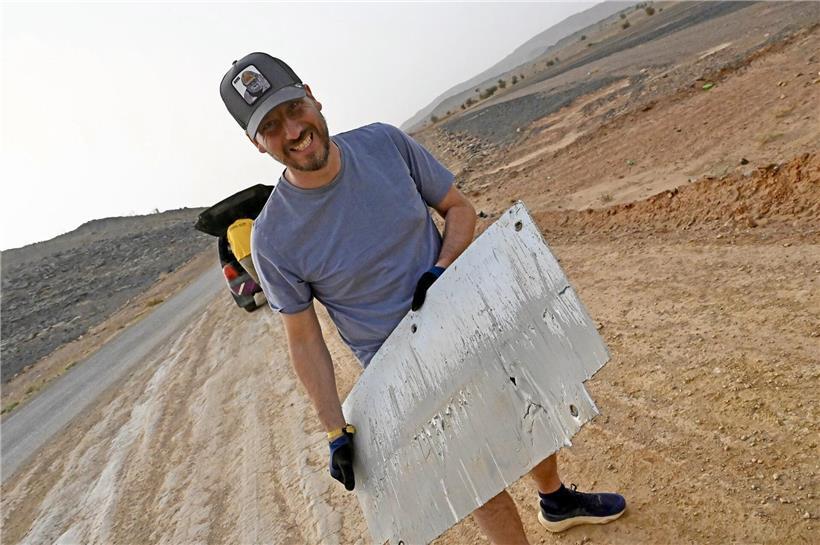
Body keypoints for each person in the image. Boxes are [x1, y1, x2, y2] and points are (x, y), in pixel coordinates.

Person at [219, 52, 626, 544]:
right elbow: (304, 340)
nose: (292, 131)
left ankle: (555, 498)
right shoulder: (273, 238)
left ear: (312, 95)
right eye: (271, 127)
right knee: (475, 472)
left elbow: (458, 208)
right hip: (402, 366)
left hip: (463, 308)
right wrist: (334, 430)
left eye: (293, 109)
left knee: (524, 406)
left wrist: (442, 267)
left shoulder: (384, 143)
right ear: (256, 143)